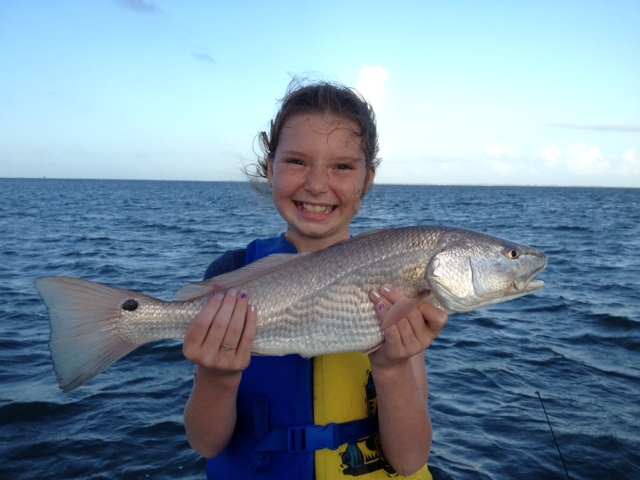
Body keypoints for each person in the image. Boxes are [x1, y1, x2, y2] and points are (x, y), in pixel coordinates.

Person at [183, 78, 449, 479]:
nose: (317, 184)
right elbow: (205, 444)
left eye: (342, 166)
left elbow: (410, 460)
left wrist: (393, 368)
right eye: (296, 161)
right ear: (270, 169)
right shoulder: (230, 274)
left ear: (368, 178)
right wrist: (216, 376)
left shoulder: (400, 284)